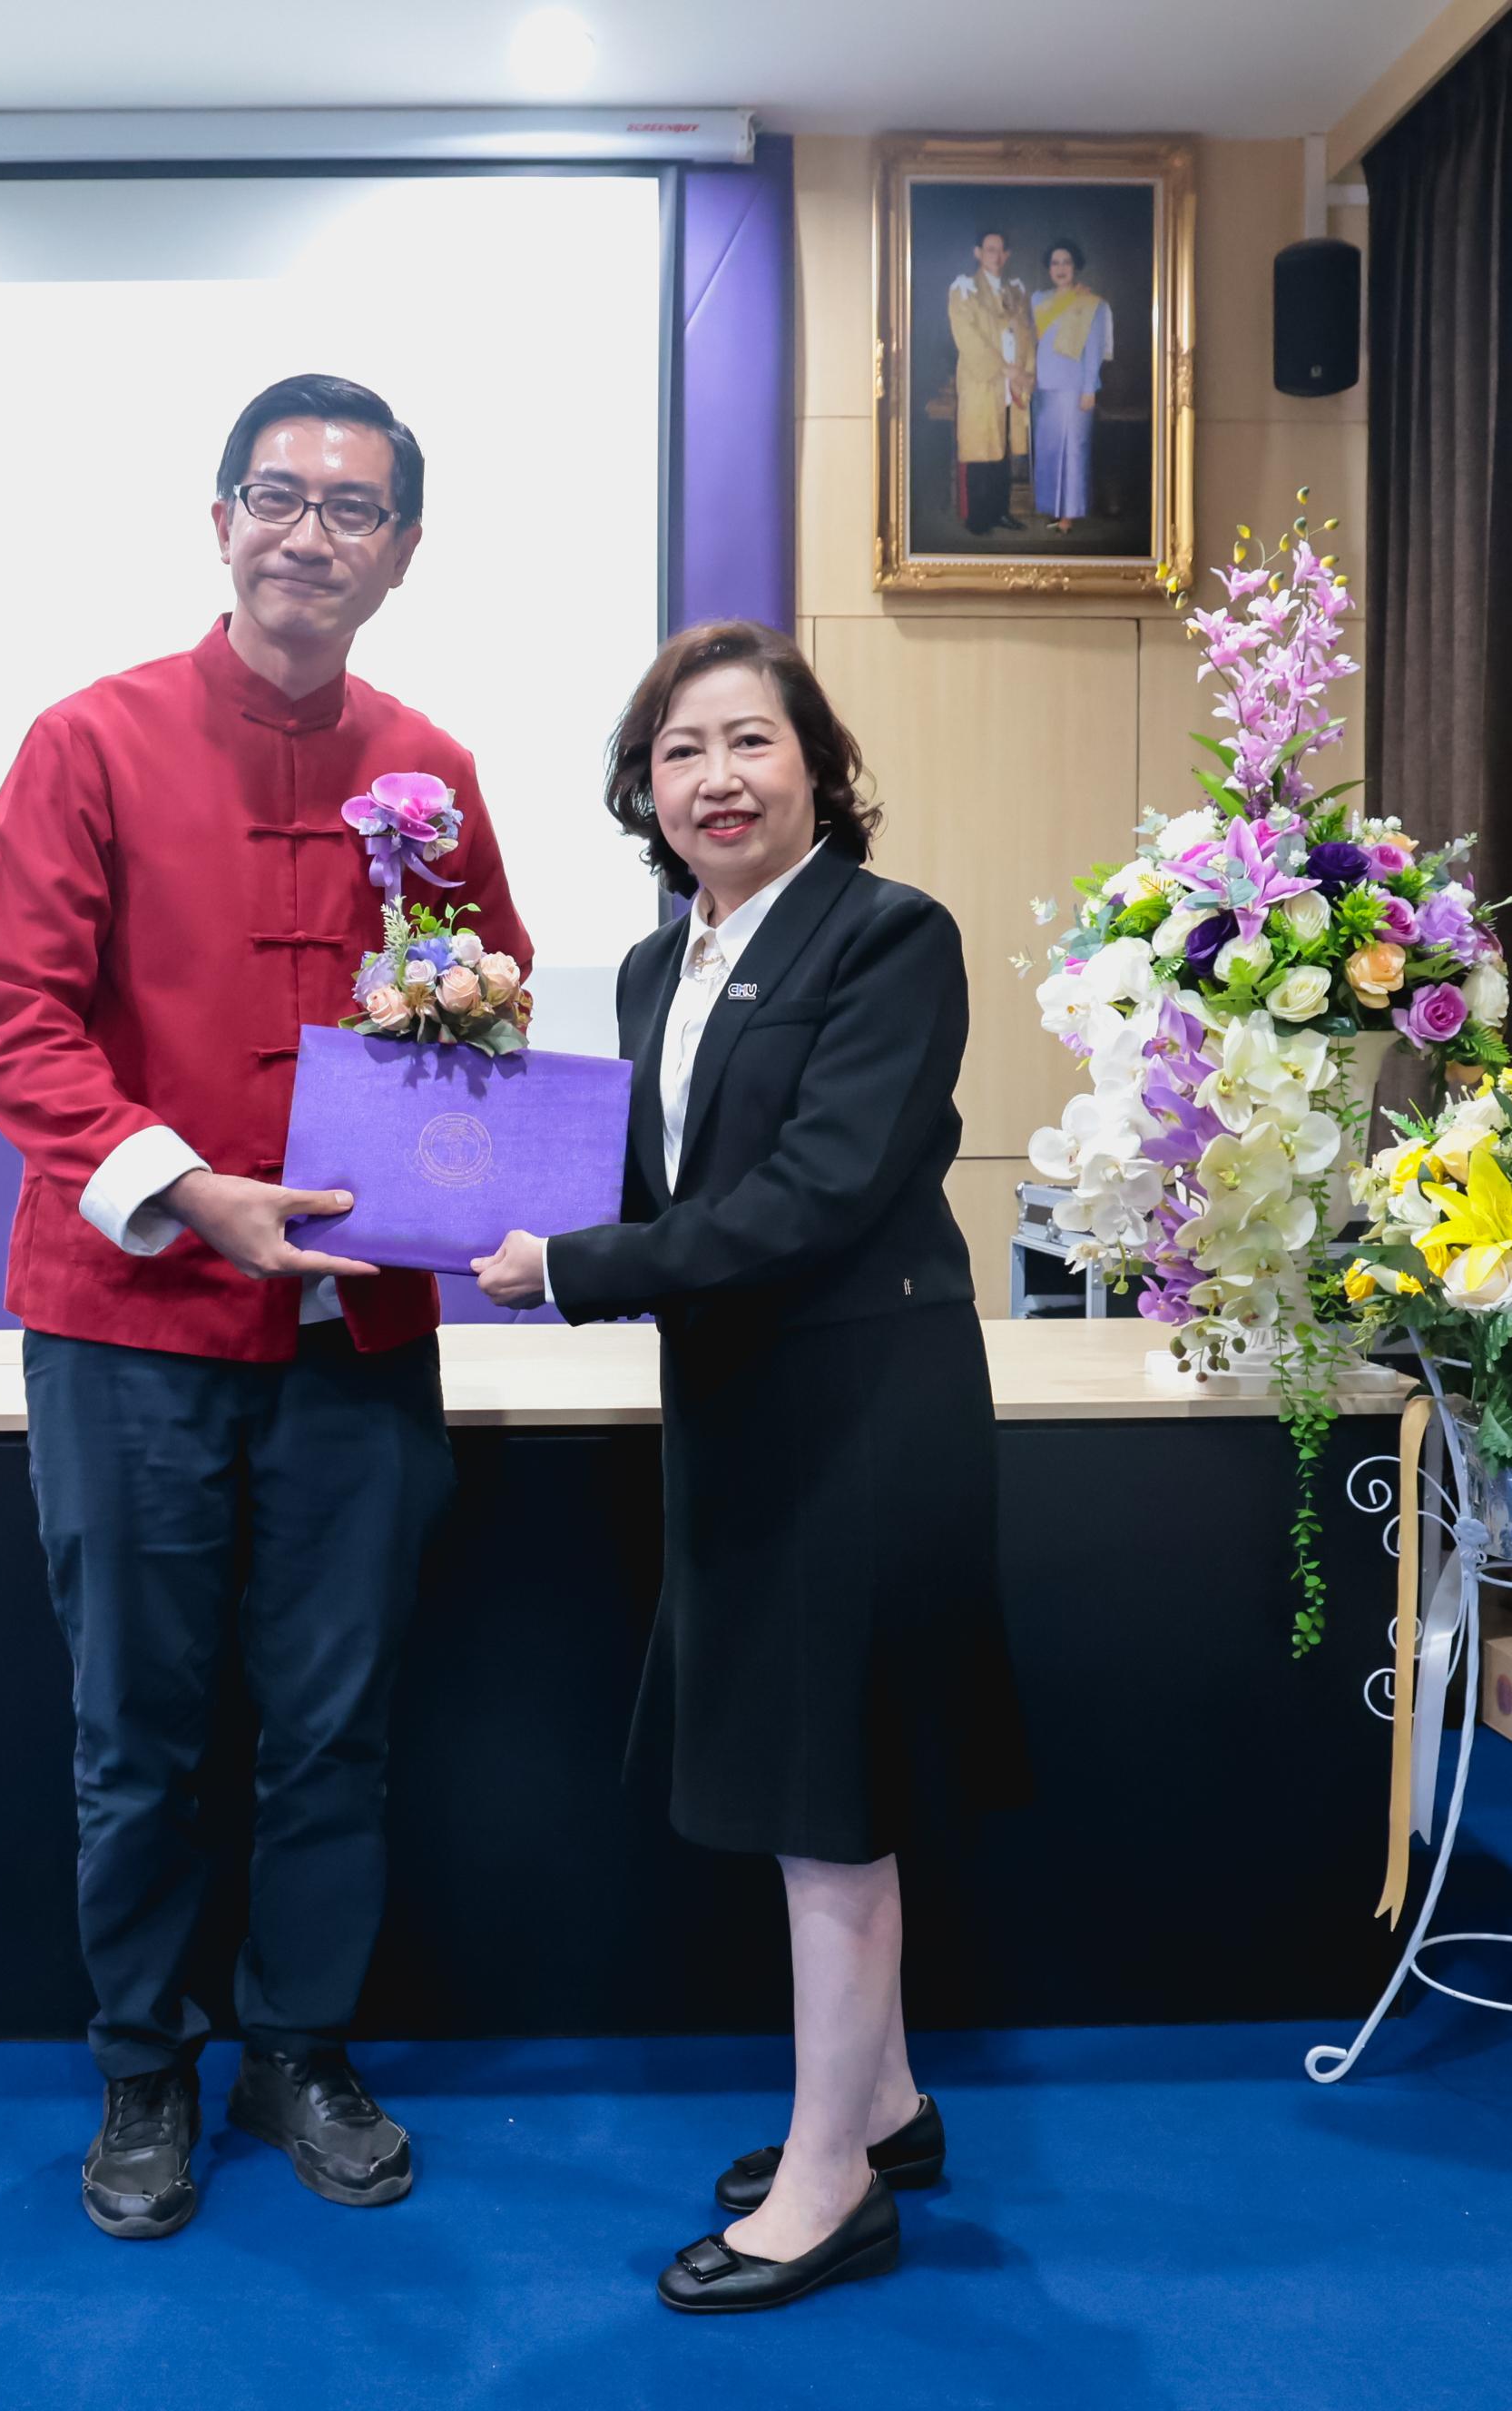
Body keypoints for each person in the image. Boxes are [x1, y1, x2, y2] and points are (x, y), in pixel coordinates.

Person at [0, 373, 535, 2242]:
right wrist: (185, 1187)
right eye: (277, 497)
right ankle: (144, 2061)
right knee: (135, 1725)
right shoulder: (87, 740)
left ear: (403, 551)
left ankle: (298, 2046)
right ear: (219, 521)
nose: (310, 533)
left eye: (352, 508)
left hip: (355, 1336)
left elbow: (494, 991)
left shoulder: (431, 764)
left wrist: (476, 1088)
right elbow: (15, 1023)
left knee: (335, 1724)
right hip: (129, 1315)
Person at [473, 621, 1029, 2314]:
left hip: (861, 1416)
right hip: (737, 1414)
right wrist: (462, 1162)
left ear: (818, 767)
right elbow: (660, 1188)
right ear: (643, 791)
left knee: (824, 1802)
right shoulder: (659, 969)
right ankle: (885, 2105)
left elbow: (818, 1194)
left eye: (748, 741)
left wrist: (574, 1268)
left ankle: (827, 2184)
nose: (714, 778)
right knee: (814, 1778)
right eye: (679, 751)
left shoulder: (888, 936)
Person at [944, 230, 1029, 536]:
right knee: (981, 449)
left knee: (1002, 450)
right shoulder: (964, 290)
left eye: (1001, 250)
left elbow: (1026, 333)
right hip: (983, 381)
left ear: (1007, 255)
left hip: (1010, 383)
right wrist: (1004, 368)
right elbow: (968, 337)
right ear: (978, 253)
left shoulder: (1014, 291)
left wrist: (1024, 371)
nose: (996, 255)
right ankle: (978, 518)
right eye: (990, 249)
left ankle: (1000, 511)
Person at [1027, 240, 1114, 531]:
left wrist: (1089, 388)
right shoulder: (1038, 300)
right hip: (1044, 386)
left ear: (1075, 266)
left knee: (1073, 450)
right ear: (1048, 268)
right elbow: (1031, 338)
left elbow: (1094, 349)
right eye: (1055, 263)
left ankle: (1069, 514)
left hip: (1075, 388)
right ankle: (1052, 508)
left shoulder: (1092, 304)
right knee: (1049, 450)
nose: (1061, 268)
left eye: (1066, 262)